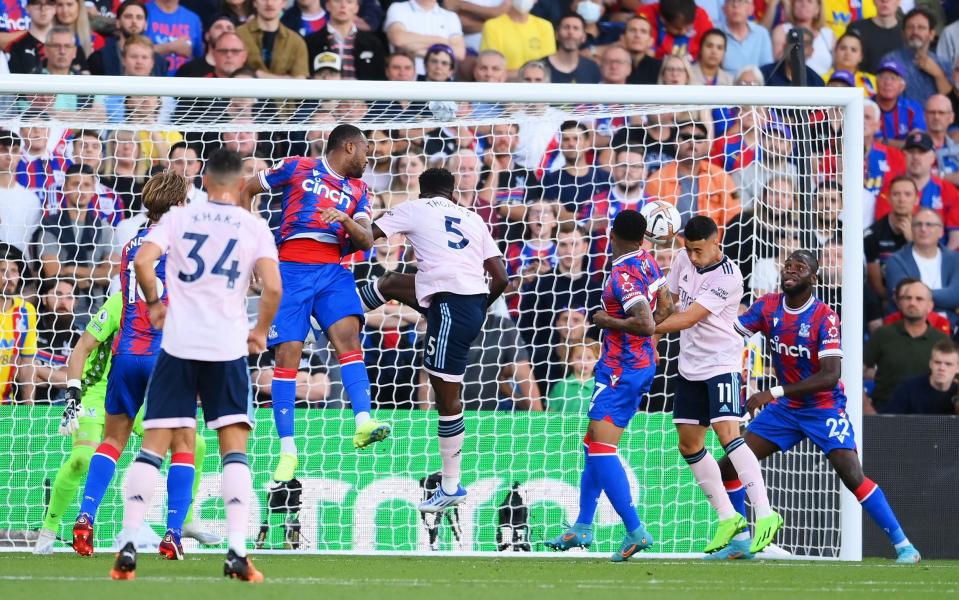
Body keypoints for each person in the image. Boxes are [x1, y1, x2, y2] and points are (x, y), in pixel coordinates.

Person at [110, 149, 281, 581]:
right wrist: (259, 331)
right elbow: (274, 287)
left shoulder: (177, 220)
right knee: (233, 449)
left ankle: (128, 544)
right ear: (241, 180)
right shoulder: (253, 226)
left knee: (153, 445)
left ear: (203, 180)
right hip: (225, 346)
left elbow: (142, 262)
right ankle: (238, 551)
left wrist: (153, 303)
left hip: (179, 343)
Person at [718, 250, 921, 563]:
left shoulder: (824, 316)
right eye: (788, 265)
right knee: (730, 463)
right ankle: (742, 542)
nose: (791, 270)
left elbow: (830, 376)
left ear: (813, 278)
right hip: (786, 409)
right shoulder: (768, 305)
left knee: (851, 473)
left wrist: (772, 392)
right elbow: (731, 336)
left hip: (822, 407)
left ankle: (903, 544)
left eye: (800, 268)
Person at [243, 124, 389, 486]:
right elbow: (246, 188)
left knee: (349, 339)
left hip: (333, 271)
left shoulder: (359, 191)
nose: (369, 160)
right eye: (366, 152)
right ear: (350, 147)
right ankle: (288, 451)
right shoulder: (298, 167)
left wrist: (344, 219)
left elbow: (366, 240)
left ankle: (362, 423)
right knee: (287, 355)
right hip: (290, 268)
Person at [358, 167, 508, 511]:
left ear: (421, 190)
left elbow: (367, 236)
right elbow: (501, 277)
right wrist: (479, 307)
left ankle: (452, 485)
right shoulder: (472, 217)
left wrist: (353, 214)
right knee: (391, 282)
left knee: (446, 398)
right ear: (453, 192)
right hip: (460, 302)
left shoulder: (414, 208)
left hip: (451, 307)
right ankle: (328, 321)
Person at [34, 290, 221, 554]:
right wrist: (72, 394)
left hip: (139, 394)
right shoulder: (121, 302)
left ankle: (185, 521)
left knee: (195, 445)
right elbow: (82, 349)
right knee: (82, 459)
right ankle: (49, 528)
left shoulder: (173, 301)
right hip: (97, 392)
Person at [68, 170, 187, 558]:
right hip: (164, 356)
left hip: (125, 355)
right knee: (182, 445)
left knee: (113, 440)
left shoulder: (131, 245)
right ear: (178, 204)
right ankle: (171, 534)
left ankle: (85, 519)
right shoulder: (184, 243)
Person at [654, 216, 781, 556]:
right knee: (688, 443)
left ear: (716, 241)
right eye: (689, 249)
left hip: (722, 364)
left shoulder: (729, 277)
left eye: (698, 250)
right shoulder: (682, 257)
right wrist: (654, 316)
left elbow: (689, 317)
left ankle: (766, 513)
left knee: (728, 436)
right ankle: (729, 519)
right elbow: (671, 301)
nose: (693, 257)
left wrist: (646, 330)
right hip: (690, 366)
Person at [544, 209, 666, 561]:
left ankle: (635, 530)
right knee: (592, 442)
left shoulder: (623, 275)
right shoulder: (647, 260)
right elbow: (667, 305)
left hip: (621, 369)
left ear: (612, 234)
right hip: (633, 364)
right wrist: (645, 346)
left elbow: (644, 323)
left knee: (601, 448)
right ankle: (582, 525)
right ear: (643, 237)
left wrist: (604, 320)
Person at [880, 8, 951, 106]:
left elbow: (950, 103)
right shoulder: (890, 60)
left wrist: (938, 74)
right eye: (910, 27)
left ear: (931, 34)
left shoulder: (944, 63)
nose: (915, 32)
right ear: (903, 33)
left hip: (935, 118)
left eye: (921, 27)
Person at [882, 339, 959, 415]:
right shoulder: (908, 388)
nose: (942, 368)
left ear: (957, 368)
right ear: (930, 364)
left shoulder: (956, 391)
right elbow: (889, 422)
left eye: (948, 364)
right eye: (937, 362)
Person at [480, 0, 555, 77]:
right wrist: (531, 74)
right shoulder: (492, 26)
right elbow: (492, 69)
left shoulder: (545, 26)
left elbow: (547, 68)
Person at [236, 0, 309, 78]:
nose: (269, 3)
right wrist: (284, 78)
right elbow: (233, 72)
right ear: (254, 2)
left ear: (283, 3)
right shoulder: (238, 35)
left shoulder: (296, 42)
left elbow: (299, 81)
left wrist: (258, 75)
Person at [144, 0, 203, 75]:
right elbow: (132, 51)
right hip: (151, 81)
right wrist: (170, 47)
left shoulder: (194, 19)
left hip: (184, 81)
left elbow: (199, 57)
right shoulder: (143, 12)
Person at [846, 0, 903, 73]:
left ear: (899, 1)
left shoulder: (907, 32)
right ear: (873, 1)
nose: (884, 1)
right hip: (862, 82)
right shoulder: (856, 29)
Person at [719, 0, 772, 74]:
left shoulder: (761, 33)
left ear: (751, 9)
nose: (735, 5)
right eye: (731, 1)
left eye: (741, 1)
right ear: (723, 8)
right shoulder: (715, 33)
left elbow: (767, 70)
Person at [546, 12, 601, 84]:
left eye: (576, 28)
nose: (570, 32)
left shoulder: (592, 69)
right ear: (556, 34)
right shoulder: (540, 67)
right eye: (566, 27)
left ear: (584, 37)